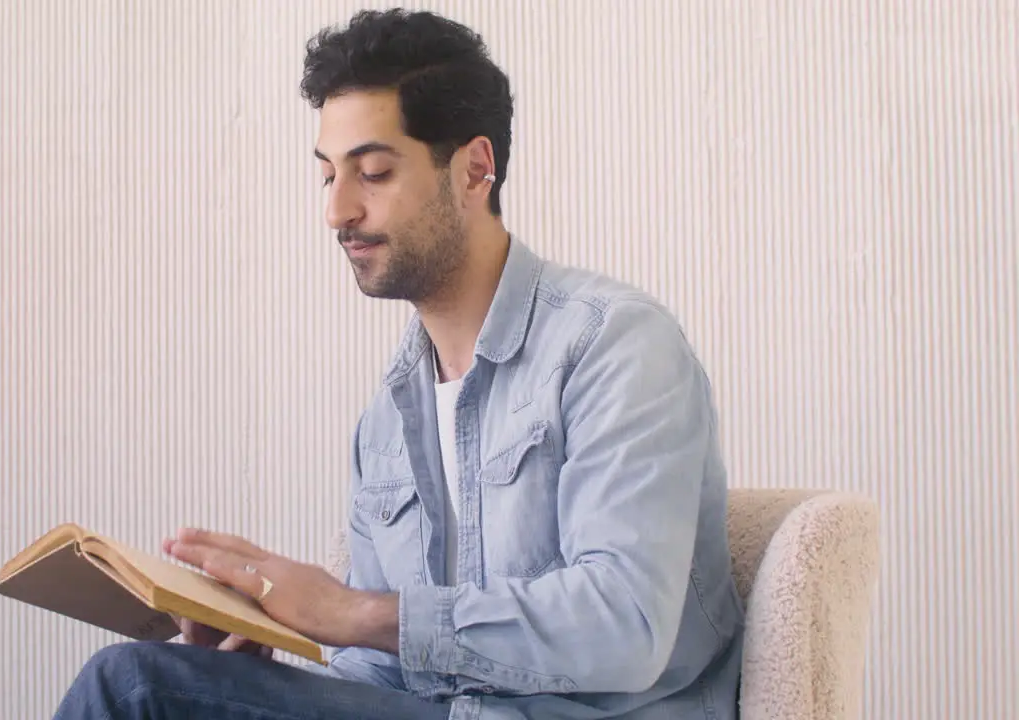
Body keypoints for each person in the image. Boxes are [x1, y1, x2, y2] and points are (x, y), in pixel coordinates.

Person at [52, 8, 744, 719]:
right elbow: (388, 677)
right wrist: (260, 667)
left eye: (373, 172)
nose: (337, 211)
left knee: (131, 687)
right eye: (327, 176)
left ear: (475, 168)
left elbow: (625, 625)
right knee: (173, 682)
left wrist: (350, 610)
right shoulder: (387, 418)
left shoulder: (615, 345)